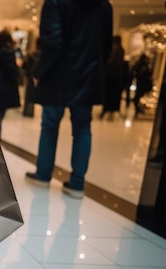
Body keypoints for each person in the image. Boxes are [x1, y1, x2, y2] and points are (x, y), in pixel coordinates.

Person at [25, 0, 113, 199]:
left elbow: (53, 42)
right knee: (82, 128)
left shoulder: (56, 2)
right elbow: (106, 45)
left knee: (49, 125)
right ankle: (77, 184)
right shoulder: (104, 5)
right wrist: (97, 70)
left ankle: (43, 174)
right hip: (88, 75)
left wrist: (39, 72)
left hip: (58, 76)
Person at [101, 35, 126, 120]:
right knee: (114, 95)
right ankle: (111, 111)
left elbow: (110, 62)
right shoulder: (121, 50)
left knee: (108, 95)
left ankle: (106, 111)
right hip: (117, 77)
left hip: (110, 76)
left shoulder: (115, 49)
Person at [22, 37, 41, 117]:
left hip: (30, 76)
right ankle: (30, 111)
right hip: (39, 77)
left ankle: (27, 111)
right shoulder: (43, 56)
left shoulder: (31, 55)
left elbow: (26, 66)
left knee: (28, 93)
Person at [130, 53, 153, 118]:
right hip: (140, 85)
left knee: (136, 98)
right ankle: (138, 110)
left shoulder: (146, 67)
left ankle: (139, 110)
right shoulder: (142, 66)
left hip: (142, 86)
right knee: (136, 99)